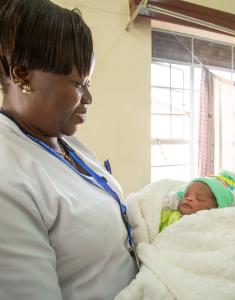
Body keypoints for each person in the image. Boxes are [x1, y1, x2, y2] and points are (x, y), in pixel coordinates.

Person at [0, 1, 137, 300]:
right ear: (23, 75)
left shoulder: (63, 139)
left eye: (89, 83)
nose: (88, 97)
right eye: (79, 84)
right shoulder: (6, 176)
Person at [159, 171, 235, 232]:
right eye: (186, 195)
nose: (188, 199)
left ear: (215, 209)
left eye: (199, 199)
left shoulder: (209, 225)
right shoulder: (173, 213)